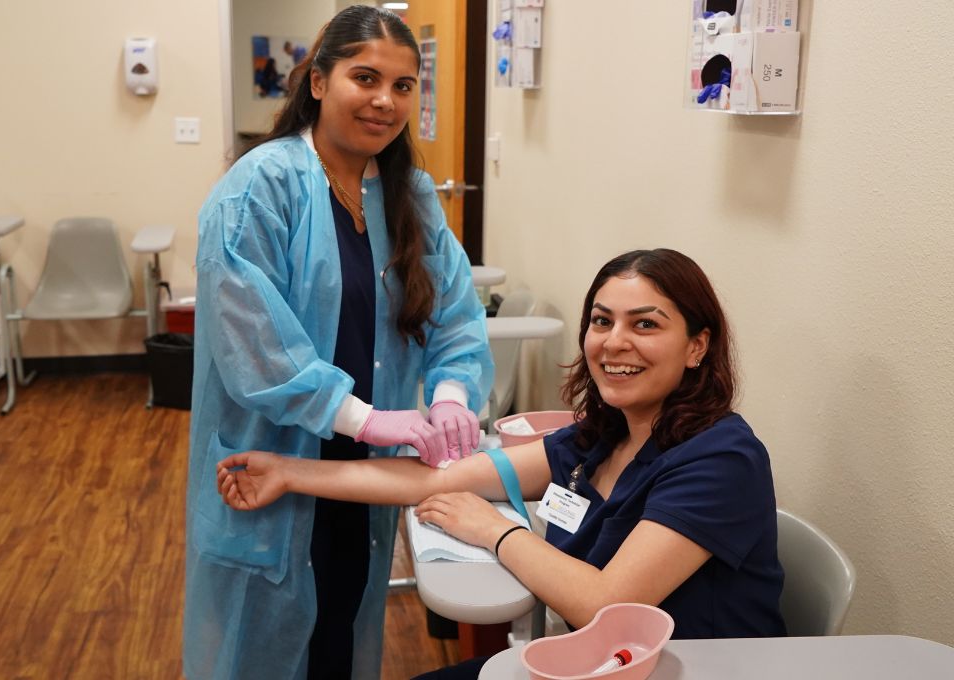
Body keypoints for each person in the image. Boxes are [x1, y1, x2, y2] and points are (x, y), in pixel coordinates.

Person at [215, 248, 787, 678]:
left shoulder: (720, 459)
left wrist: (496, 532)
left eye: (646, 324)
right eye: (601, 320)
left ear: (697, 346)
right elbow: (436, 479)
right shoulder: (604, 436)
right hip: (600, 663)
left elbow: (606, 602)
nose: (614, 342)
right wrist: (290, 473)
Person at [183, 5, 494, 680]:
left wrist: (448, 396)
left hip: (364, 478)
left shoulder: (407, 193)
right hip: (273, 466)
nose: (385, 100)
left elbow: (455, 315)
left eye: (404, 85)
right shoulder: (258, 191)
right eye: (365, 77)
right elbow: (253, 347)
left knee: (341, 632)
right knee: (257, 647)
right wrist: (368, 418)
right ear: (319, 82)